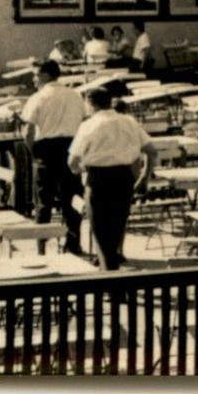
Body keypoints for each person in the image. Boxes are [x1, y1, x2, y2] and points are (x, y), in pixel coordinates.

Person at [67, 86, 157, 270]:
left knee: (100, 232)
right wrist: (145, 177)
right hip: (124, 177)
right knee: (116, 230)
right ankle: (111, 275)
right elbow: (151, 151)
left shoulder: (89, 125)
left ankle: (111, 283)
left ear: (90, 103)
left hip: (98, 178)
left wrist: (81, 169)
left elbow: (72, 161)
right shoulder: (129, 121)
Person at [20, 60, 85, 255]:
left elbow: (27, 131)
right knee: (72, 199)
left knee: (43, 201)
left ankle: (41, 249)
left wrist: (34, 153)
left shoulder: (38, 97)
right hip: (70, 148)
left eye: (36, 75)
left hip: (46, 149)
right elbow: (83, 123)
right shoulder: (75, 95)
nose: (33, 79)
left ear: (46, 76)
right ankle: (73, 244)